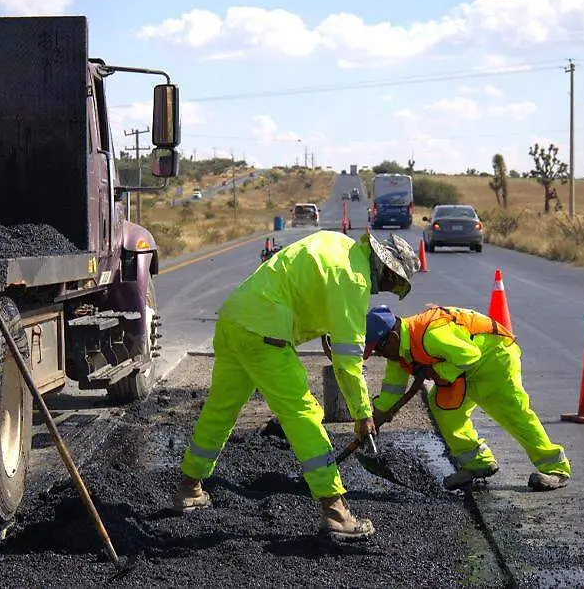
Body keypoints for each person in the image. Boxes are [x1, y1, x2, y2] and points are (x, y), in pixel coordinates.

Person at [173, 230, 421, 542]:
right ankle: (336, 512)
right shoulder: (354, 280)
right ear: (385, 268)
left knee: (220, 409)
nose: (383, 290)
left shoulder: (337, 244)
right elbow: (347, 362)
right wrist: (362, 413)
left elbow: (302, 284)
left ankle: (189, 488)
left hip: (235, 320)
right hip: (266, 332)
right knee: (303, 414)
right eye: (391, 282)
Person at [362, 305, 570, 492]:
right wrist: (372, 420)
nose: (380, 355)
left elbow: (470, 355)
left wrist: (435, 370)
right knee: (442, 405)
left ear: (392, 338)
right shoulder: (399, 353)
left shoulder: (430, 335)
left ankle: (555, 468)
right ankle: (478, 463)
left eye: (379, 350)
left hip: (493, 357)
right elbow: (391, 392)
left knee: (513, 412)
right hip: (463, 368)